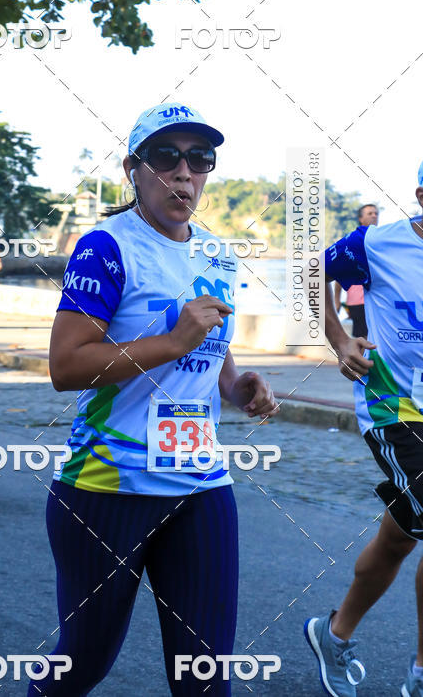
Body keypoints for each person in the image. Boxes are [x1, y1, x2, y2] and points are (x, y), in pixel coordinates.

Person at [32, 102, 278, 696]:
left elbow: (210, 352)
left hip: (200, 482)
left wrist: (236, 386)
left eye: (199, 159)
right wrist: (171, 342)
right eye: (166, 156)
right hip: (107, 487)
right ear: (133, 170)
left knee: (205, 677)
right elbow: (66, 366)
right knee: (82, 665)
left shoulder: (218, 254)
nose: (183, 172)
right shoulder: (106, 247)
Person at [305, 164, 423, 696]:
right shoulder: (375, 244)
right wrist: (339, 339)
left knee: (399, 538)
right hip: (395, 409)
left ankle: (332, 635)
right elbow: (312, 273)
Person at [334, 204, 379, 338]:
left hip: (377, 300)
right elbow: (338, 272)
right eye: (370, 213)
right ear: (360, 219)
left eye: (376, 213)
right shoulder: (352, 242)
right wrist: (337, 300)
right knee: (363, 339)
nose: (374, 216)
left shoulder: (380, 241)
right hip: (358, 302)